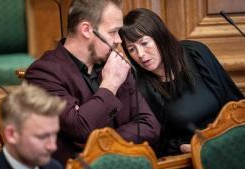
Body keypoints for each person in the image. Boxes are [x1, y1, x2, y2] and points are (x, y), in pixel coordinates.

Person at [25, 0, 160, 165]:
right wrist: (110, 84)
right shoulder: (43, 74)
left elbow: (149, 125)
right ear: (87, 30)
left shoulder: (115, 63)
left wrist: (95, 141)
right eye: (113, 32)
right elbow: (80, 128)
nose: (119, 40)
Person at [119, 8, 244, 157]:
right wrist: (185, 148)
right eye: (132, 49)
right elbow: (157, 144)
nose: (140, 54)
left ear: (159, 36)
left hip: (235, 144)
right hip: (192, 157)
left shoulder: (196, 53)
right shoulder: (142, 87)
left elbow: (235, 102)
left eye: (144, 43)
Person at [0, 82, 66, 169]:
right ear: (11, 134)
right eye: (42, 137)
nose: (53, 146)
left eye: (54, 134)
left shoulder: (54, 167)